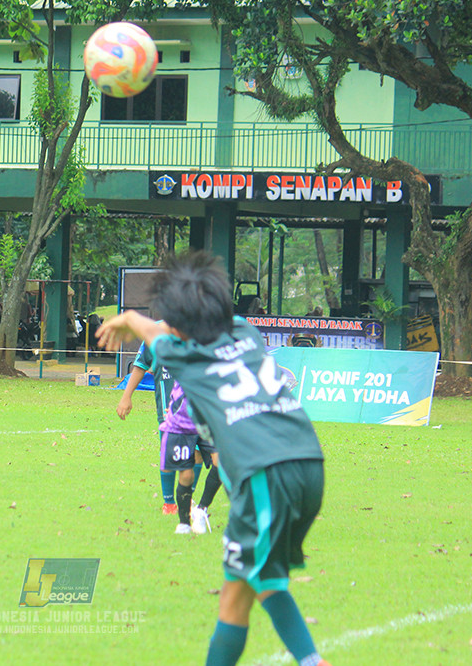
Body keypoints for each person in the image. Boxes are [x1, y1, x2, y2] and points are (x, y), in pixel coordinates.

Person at [97, 251, 330, 666]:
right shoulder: (245, 331)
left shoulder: (182, 355)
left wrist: (129, 318)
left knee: (264, 581)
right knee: (238, 590)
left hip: (266, 474)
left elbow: (157, 332)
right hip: (309, 462)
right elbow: (182, 325)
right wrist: (141, 319)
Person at [117, 336, 203, 515]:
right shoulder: (154, 334)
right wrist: (126, 396)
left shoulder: (199, 330)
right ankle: (169, 503)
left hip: (197, 407)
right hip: (167, 411)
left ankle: (187, 497)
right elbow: (140, 366)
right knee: (169, 455)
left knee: (198, 453)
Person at [160, 380, 221, 535]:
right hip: (182, 424)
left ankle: (201, 510)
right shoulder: (184, 360)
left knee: (223, 463)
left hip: (209, 422)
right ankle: (184, 523)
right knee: (186, 474)